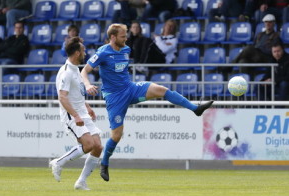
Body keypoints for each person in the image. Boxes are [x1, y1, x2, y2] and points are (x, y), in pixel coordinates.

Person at [80, 23, 214, 182]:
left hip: (130, 88)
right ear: (113, 37)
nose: (126, 38)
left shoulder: (126, 49)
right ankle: (105, 163)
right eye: (123, 36)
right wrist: (88, 85)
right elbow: (84, 71)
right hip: (114, 97)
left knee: (162, 90)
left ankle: (195, 109)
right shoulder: (102, 52)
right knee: (116, 135)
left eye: (126, 35)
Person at [49, 36, 103, 190]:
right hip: (71, 115)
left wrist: (87, 107)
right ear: (77, 53)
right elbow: (62, 97)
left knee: (98, 146)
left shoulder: (75, 70)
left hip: (82, 113)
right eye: (83, 50)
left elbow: (76, 94)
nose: (85, 53)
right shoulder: (66, 72)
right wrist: (76, 115)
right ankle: (58, 162)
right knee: (88, 144)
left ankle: (81, 182)